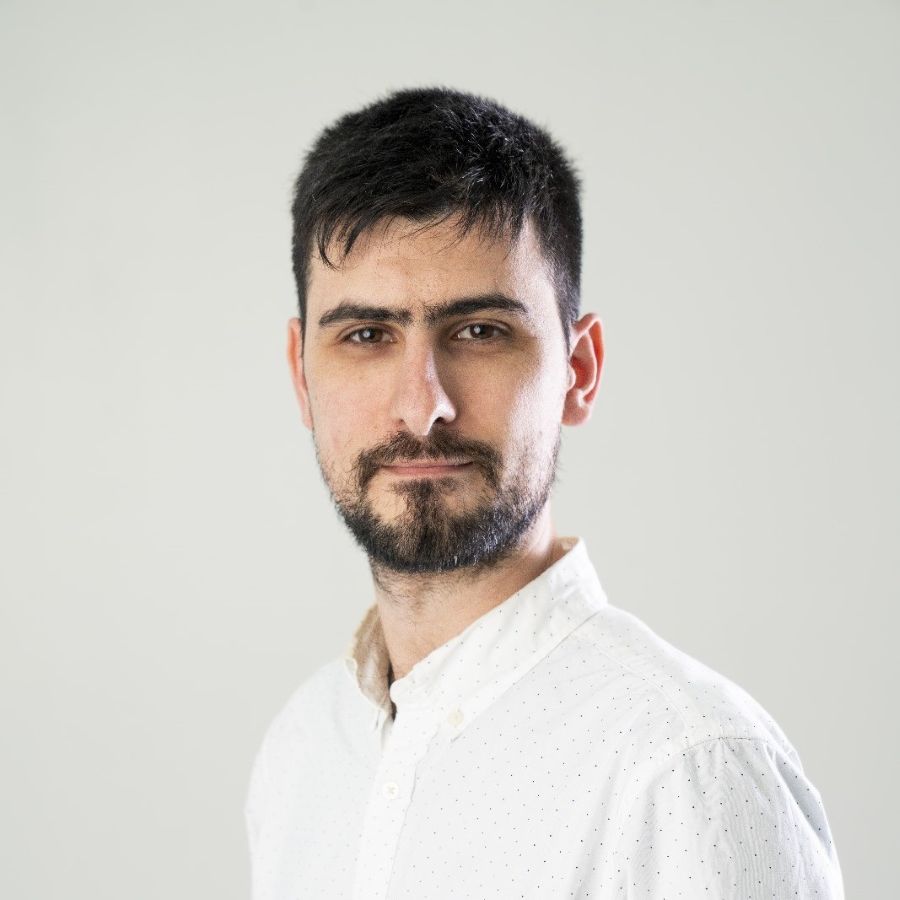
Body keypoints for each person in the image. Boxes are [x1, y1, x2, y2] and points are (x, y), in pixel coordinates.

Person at [245, 87, 844, 900]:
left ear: (579, 370)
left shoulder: (687, 771)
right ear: (301, 376)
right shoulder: (302, 752)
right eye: (366, 335)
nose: (422, 406)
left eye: (480, 332)